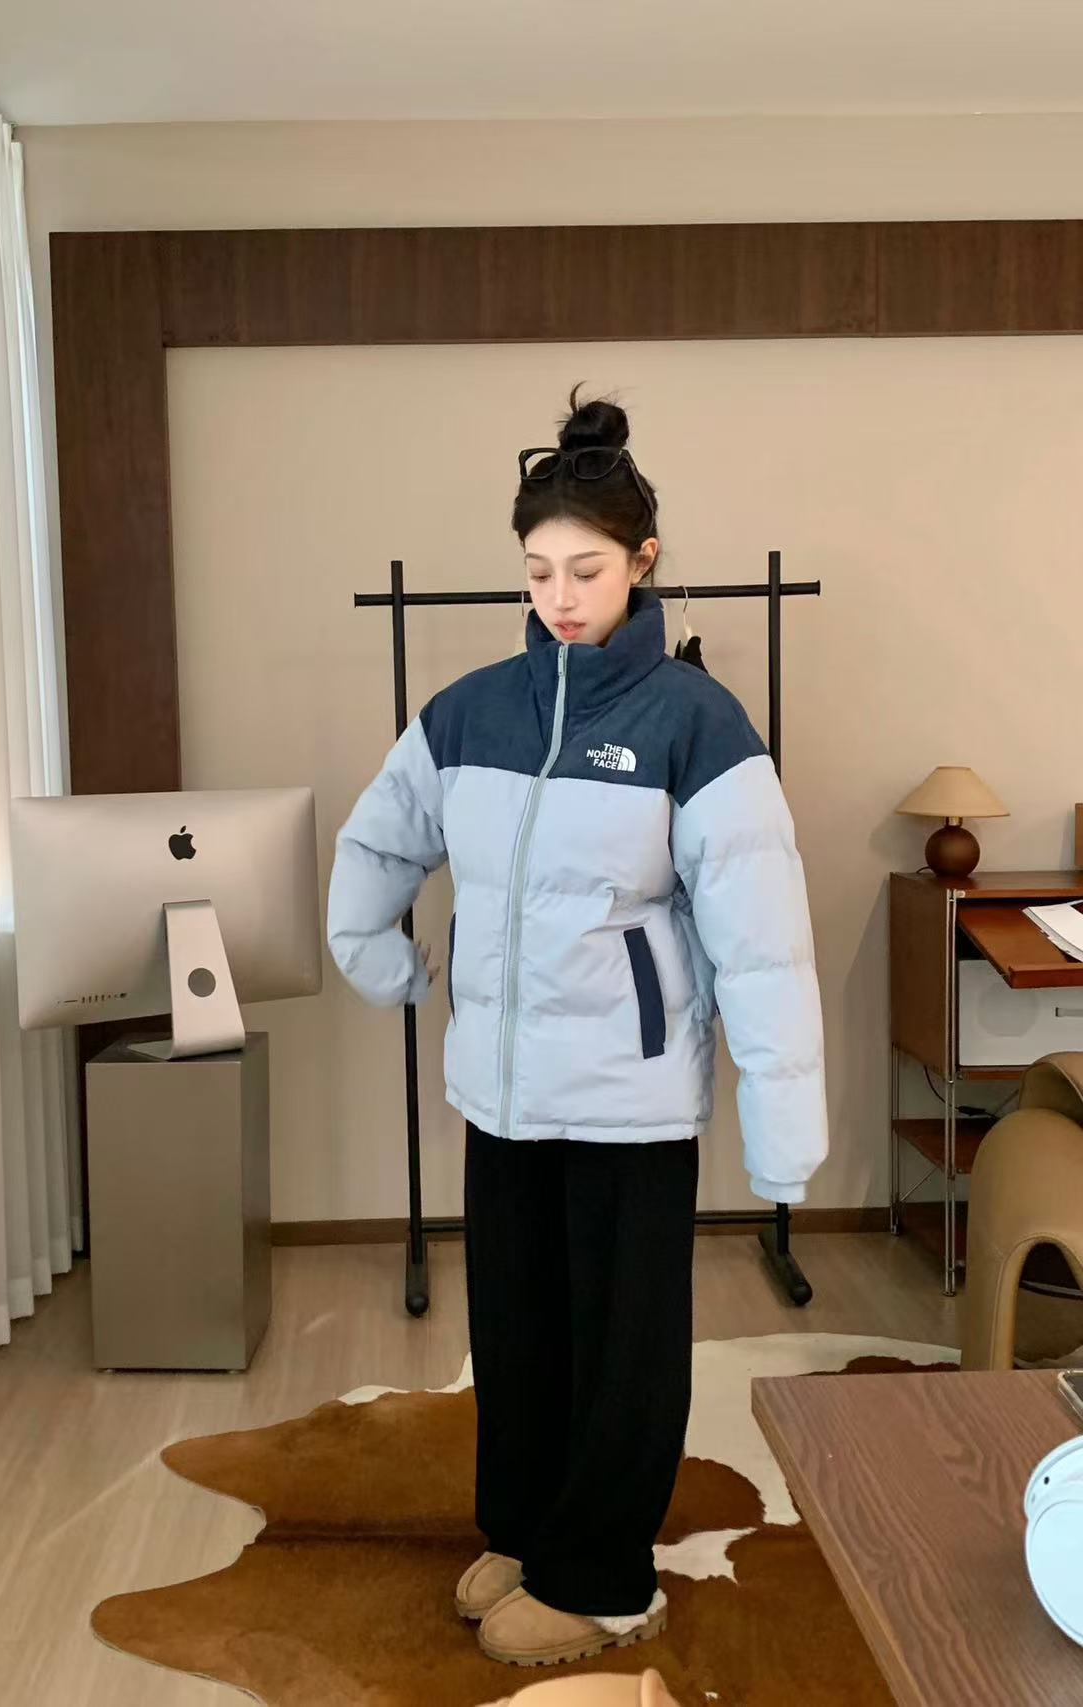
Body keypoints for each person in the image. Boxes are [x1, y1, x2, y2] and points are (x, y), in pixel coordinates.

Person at [327, 389, 827, 1669]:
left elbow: (762, 942)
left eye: (586, 571)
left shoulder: (694, 723)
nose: (559, 596)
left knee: (621, 1349)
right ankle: (528, 1530)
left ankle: (604, 1578)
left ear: (641, 562)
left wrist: (782, 1137)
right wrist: (376, 955)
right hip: (502, 1095)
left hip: (626, 1097)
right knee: (517, 1328)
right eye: (538, 571)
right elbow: (378, 843)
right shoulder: (468, 711)